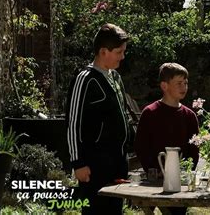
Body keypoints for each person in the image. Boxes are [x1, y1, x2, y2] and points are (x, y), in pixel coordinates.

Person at [66, 23, 132, 215]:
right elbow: (73, 123)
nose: (123, 56)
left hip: (118, 163)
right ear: (104, 52)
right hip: (94, 166)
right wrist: (77, 163)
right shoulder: (85, 79)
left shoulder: (116, 77)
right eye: (119, 52)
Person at [135, 62, 199, 215]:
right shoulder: (150, 113)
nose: (184, 87)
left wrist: (185, 171)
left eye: (186, 83)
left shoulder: (189, 116)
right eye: (179, 83)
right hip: (154, 179)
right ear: (164, 86)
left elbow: (194, 149)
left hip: (180, 180)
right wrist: (153, 170)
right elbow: (141, 146)